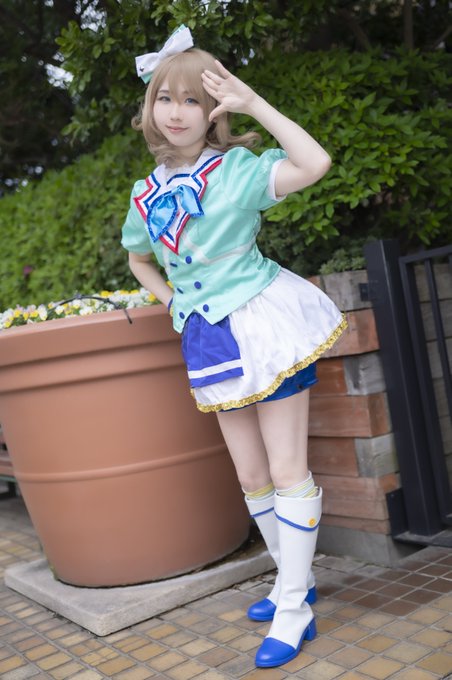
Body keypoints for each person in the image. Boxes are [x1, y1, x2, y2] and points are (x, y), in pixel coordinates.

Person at [122, 25, 346, 669]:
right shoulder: (145, 193)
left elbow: (314, 164)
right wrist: (173, 303)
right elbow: (139, 258)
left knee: (286, 468)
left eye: (193, 100)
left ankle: (294, 607)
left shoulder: (237, 171)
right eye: (166, 97)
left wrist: (255, 104)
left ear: (212, 109)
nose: (177, 111)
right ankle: (291, 582)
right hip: (206, 334)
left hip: (262, 323)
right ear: (151, 107)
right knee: (250, 475)